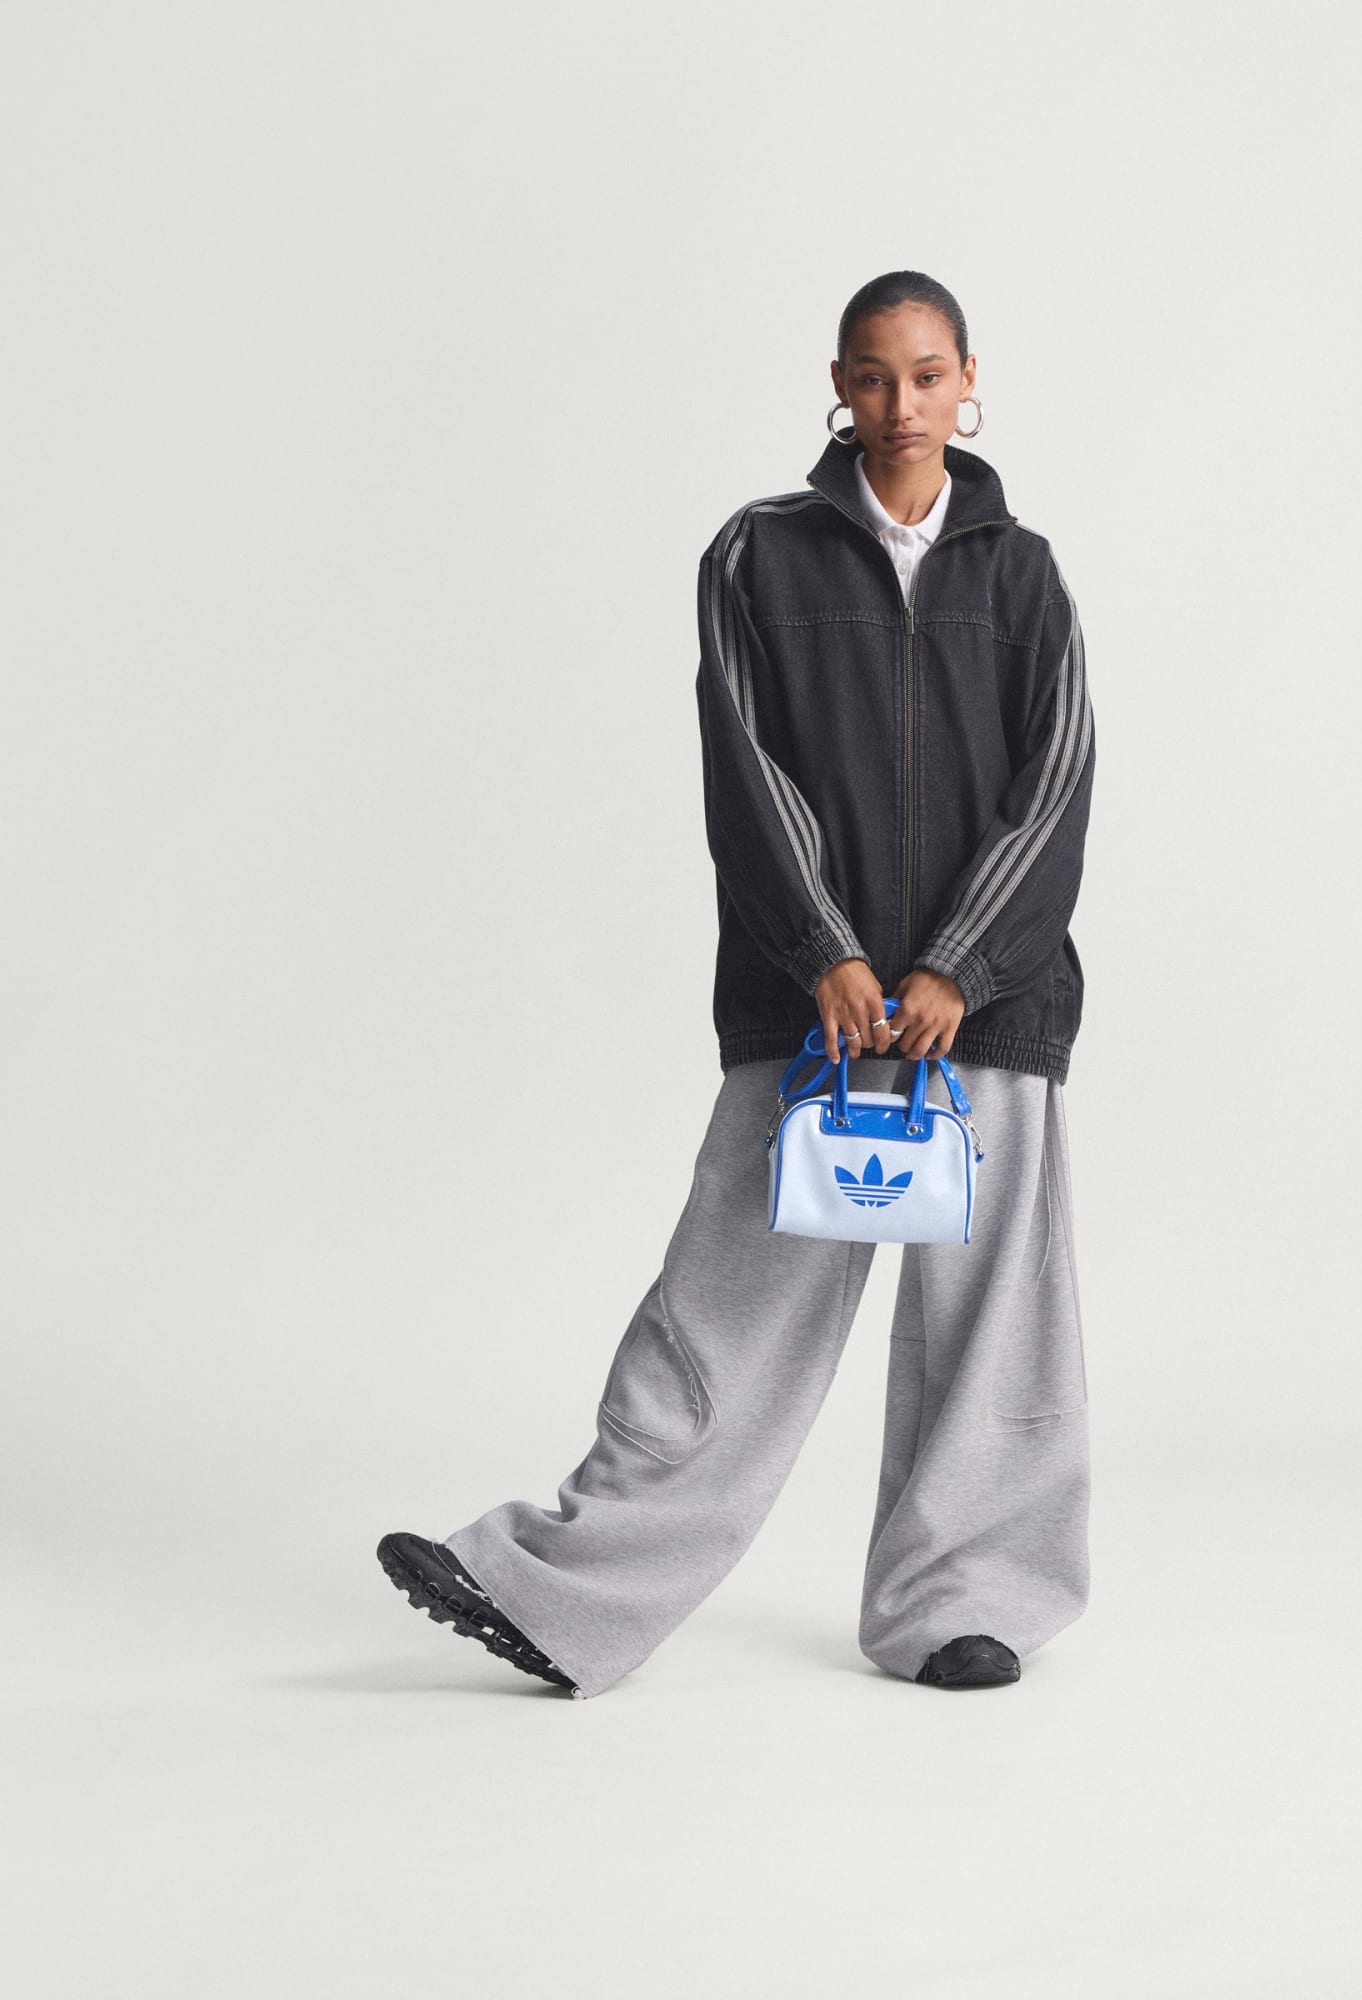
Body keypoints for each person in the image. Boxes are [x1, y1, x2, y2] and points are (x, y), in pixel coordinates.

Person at [377, 270, 1096, 1699]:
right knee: (728, 1308)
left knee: (994, 1328)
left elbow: (1057, 787)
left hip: (986, 1012)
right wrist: (828, 950)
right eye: (874, 376)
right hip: (813, 1003)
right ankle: (561, 1590)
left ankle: (969, 1606)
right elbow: (745, 767)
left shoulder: (1027, 577)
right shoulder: (758, 554)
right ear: (839, 384)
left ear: (969, 383)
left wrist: (959, 967)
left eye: (928, 375)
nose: (901, 405)